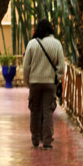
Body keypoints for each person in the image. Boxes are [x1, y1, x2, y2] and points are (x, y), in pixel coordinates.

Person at [22, 19, 65, 149]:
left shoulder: (32, 44)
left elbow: (26, 66)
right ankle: (47, 141)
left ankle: (35, 139)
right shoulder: (57, 44)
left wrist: (27, 81)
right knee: (48, 112)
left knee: (35, 111)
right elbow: (61, 66)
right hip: (50, 82)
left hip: (35, 82)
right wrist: (56, 78)